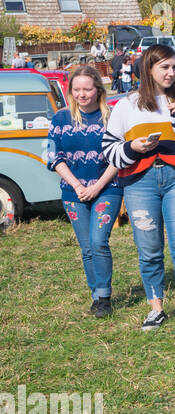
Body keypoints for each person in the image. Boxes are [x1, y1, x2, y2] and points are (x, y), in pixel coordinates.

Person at [103, 44, 175, 335]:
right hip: (139, 183)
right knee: (149, 250)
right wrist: (132, 147)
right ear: (148, 69)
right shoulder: (127, 105)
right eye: (165, 67)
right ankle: (157, 309)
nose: (171, 73)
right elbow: (109, 150)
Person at [47, 66, 122, 317]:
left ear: (98, 90)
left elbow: (119, 157)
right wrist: (78, 185)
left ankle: (105, 297)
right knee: (87, 246)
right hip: (73, 193)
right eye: (76, 89)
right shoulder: (60, 118)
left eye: (87, 89)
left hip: (108, 188)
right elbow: (52, 156)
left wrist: (97, 186)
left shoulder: (112, 117)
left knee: (99, 241)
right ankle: (96, 295)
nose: (82, 94)